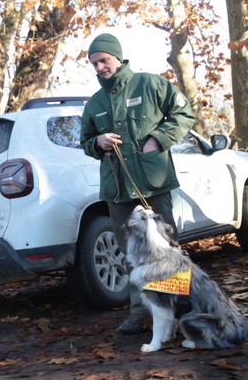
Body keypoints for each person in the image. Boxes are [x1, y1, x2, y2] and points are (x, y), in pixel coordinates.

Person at [80, 33, 195, 334]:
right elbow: (85, 142)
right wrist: (98, 142)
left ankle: (180, 309)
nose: (99, 67)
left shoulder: (150, 84)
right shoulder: (94, 103)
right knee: (130, 252)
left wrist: (157, 139)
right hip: (117, 190)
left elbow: (184, 114)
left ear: (118, 57)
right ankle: (140, 311)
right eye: (94, 63)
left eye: (104, 60)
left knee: (166, 248)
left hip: (152, 183)